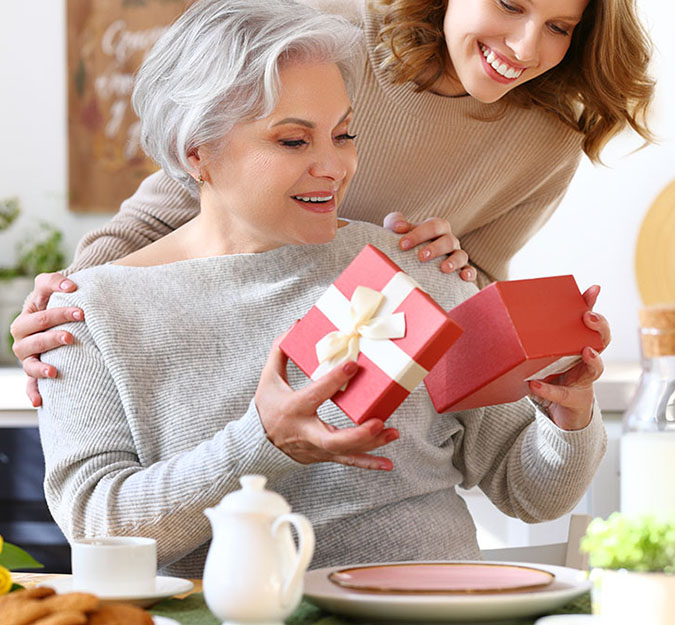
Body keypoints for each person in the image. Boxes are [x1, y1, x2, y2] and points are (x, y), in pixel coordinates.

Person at [37, 0, 608, 577]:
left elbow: (531, 492)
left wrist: (568, 415)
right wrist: (261, 443)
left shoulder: (409, 266)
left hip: (438, 603)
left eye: (344, 134)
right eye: (293, 141)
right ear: (197, 154)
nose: (335, 166)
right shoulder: (89, 314)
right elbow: (96, 526)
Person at [10, 0, 654, 407]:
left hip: (356, 382)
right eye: (510, 5)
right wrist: (67, 307)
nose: (524, 46)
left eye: (560, 27)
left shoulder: (548, 141)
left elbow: (475, 297)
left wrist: (457, 270)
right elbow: (172, 203)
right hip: (230, 349)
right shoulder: (333, 46)